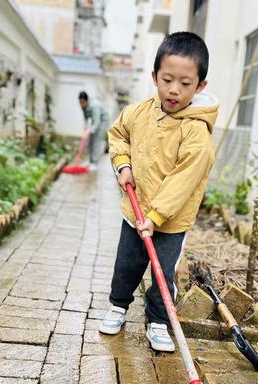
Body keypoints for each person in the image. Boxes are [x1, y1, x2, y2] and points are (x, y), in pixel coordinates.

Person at [99, 32, 219, 352]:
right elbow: (118, 135)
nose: (174, 89)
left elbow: (183, 181)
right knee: (127, 263)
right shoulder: (138, 112)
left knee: (163, 273)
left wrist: (155, 216)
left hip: (170, 221)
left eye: (185, 83)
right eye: (167, 79)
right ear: (155, 77)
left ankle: (158, 321)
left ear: (200, 86)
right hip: (133, 210)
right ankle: (118, 305)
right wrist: (123, 165)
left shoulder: (196, 132)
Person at [78, 91, 109, 171]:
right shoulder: (83, 105)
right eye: (80, 102)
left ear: (86, 100)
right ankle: (91, 161)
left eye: (82, 102)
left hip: (103, 121)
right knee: (90, 142)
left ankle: (95, 163)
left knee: (96, 141)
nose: (81, 104)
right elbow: (86, 118)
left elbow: (97, 121)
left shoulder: (94, 106)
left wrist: (90, 132)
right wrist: (85, 129)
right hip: (95, 121)